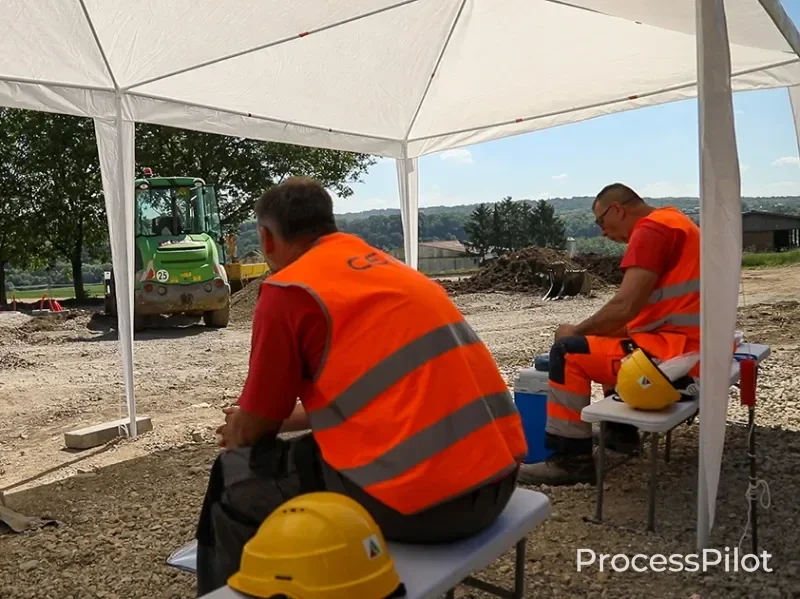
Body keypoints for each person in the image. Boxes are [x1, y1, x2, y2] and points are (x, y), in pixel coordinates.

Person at [195, 176, 528, 596]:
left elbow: (253, 428)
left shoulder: (288, 291)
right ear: (328, 222)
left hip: (429, 507)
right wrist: (284, 420)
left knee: (234, 475)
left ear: (266, 236)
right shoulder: (391, 270)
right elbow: (382, 394)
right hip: (497, 479)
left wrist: (243, 426)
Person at [520, 183, 700, 486]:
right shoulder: (677, 222)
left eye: (601, 222)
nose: (603, 233)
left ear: (617, 209)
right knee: (602, 341)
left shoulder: (651, 230)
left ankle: (571, 459)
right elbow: (638, 314)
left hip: (672, 361)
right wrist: (592, 332)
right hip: (686, 348)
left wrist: (574, 332)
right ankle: (620, 433)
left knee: (568, 353)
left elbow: (625, 306)